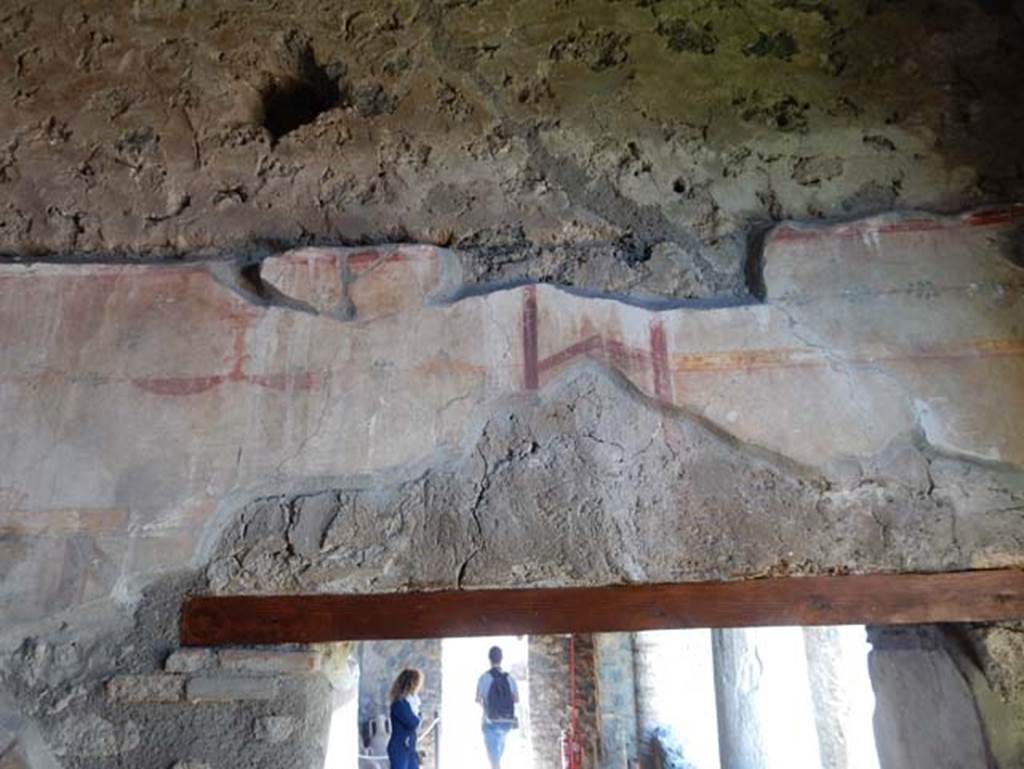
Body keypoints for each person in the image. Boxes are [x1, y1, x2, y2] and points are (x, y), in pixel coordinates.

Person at [476, 645, 519, 769]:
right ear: (502, 658)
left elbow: (478, 699)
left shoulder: (484, 678)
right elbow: (516, 699)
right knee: (499, 747)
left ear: (489, 659)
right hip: (506, 722)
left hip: (491, 721)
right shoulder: (510, 678)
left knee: (493, 755)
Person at [388, 668, 424, 769]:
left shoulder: (412, 703)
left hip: (410, 748)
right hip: (399, 748)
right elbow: (413, 723)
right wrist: (419, 717)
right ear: (411, 684)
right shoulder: (399, 704)